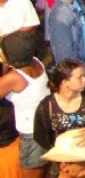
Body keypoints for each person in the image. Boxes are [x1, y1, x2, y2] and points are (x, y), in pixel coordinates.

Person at [32, 60, 85, 173]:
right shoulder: (46, 107)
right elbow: (40, 136)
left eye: (84, 76)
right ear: (65, 82)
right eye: (80, 77)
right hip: (65, 160)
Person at [0, 31, 49, 178]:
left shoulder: (15, 78)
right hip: (44, 126)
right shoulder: (36, 62)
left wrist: (4, 62)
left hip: (32, 135)